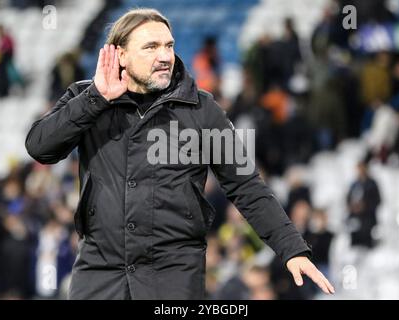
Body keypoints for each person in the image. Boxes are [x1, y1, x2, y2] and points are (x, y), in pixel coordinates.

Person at [25, 8, 334, 300]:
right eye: (151, 47)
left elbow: (247, 186)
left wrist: (292, 248)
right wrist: (96, 97)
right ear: (121, 54)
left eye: (168, 46)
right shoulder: (88, 97)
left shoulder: (202, 109)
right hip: (98, 275)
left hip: (172, 278)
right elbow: (40, 148)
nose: (164, 56)